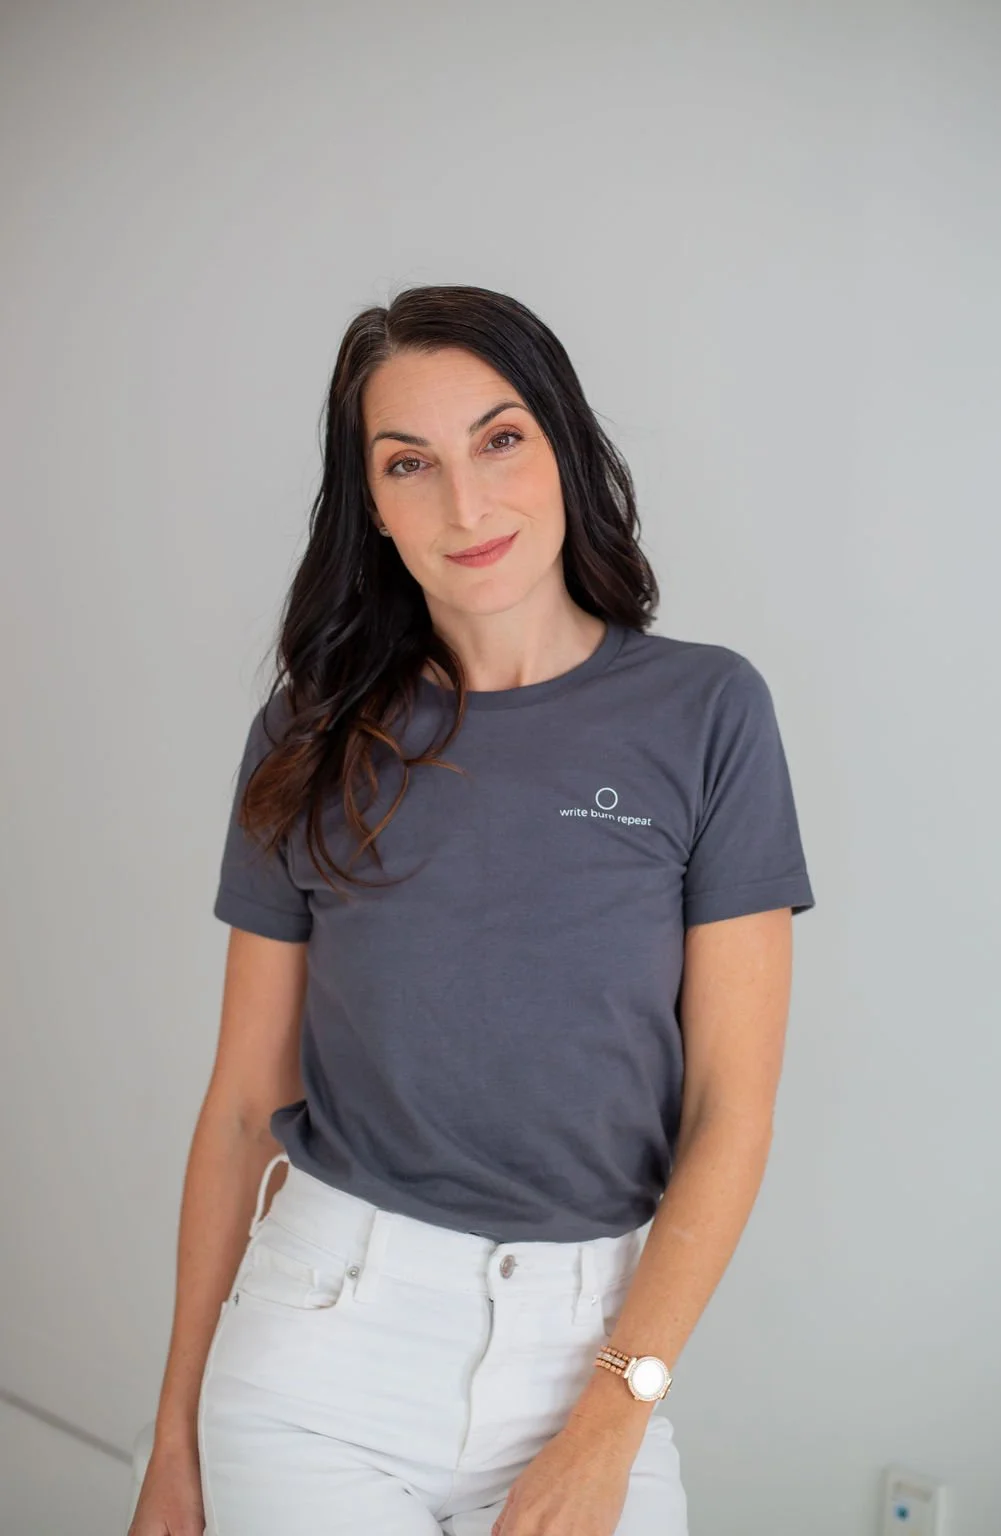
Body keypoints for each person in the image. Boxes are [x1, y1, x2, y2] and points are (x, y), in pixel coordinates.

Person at [128, 284, 815, 1535]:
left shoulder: (706, 714)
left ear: (563, 447)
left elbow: (731, 1111)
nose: (464, 502)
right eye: (409, 463)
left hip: (589, 1351)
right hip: (321, 1347)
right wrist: (171, 1437)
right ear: (372, 507)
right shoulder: (307, 737)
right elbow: (238, 1110)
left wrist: (613, 1419)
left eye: (499, 440)